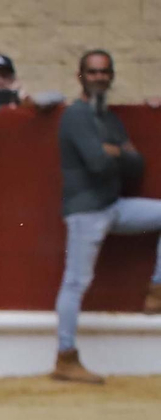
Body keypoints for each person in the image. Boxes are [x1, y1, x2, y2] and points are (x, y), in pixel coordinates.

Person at [52, 49, 161, 384]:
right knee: (76, 282)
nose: (99, 77)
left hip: (112, 206)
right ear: (81, 76)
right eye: (93, 71)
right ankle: (65, 357)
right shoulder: (76, 115)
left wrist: (115, 153)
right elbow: (98, 165)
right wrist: (117, 153)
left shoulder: (108, 118)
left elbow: (136, 165)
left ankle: (157, 288)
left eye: (104, 72)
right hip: (86, 211)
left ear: (111, 76)